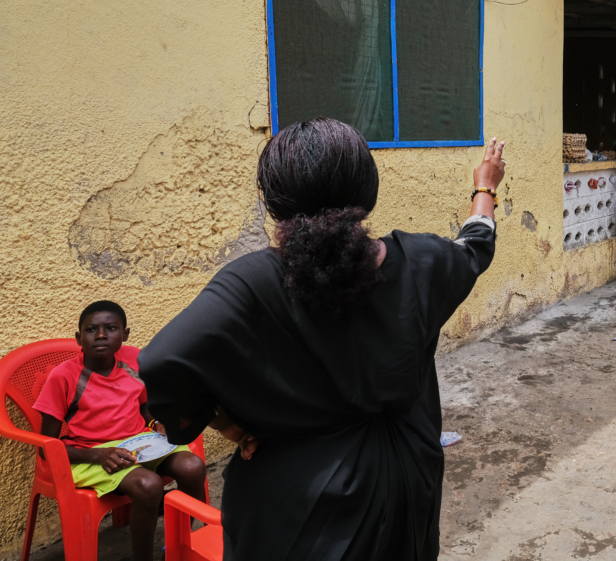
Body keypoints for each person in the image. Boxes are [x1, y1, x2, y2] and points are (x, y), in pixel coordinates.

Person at [139, 118, 505, 560]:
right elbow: (474, 245)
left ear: (276, 199)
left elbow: (161, 362)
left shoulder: (254, 280)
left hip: (296, 496)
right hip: (407, 477)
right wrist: (484, 187)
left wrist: (229, 426)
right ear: (365, 189)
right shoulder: (421, 261)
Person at [34, 301, 207, 561]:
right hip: (89, 454)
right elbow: (46, 447)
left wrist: (156, 424)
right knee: (148, 486)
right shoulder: (64, 376)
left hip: (140, 444)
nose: (101, 335)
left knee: (193, 466)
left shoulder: (134, 364)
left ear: (125, 335)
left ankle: (181, 545)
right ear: (79, 338)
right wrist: (99, 455)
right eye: (91, 330)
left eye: (111, 328)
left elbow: (145, 408)